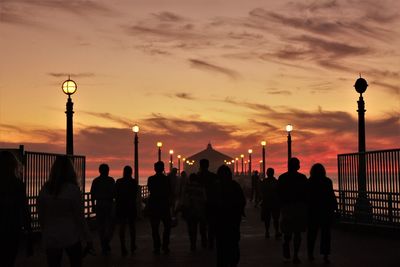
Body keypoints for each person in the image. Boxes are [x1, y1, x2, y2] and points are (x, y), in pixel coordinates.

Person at [38, 156, 92, 267]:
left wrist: (45, 233)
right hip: (71, 236)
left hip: (51, 237)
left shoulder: (45, 189)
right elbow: (80, 217)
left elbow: (41, 216)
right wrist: (88, 238)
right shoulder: (73, 190)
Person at [0, 151, 32, 267]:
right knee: (8, 260)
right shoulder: (17, 185)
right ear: (14, 165)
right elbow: (25, 210)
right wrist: (29, 233)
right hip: (12, 229)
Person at [212, 165, 246, 267]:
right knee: (233, 242)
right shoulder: (235, 186)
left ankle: (222, 262)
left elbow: (211, 203)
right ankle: (232, 261)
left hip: (220, 220)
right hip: (233, 219)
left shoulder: (216, 187)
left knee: (221, 244)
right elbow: (241, 201)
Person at [278, 157, 308, 264]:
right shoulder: (303, 178)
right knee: (297, 232)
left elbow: (279, 194)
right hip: (299, 208)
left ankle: (286, 243)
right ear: (297, 166)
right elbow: (306, 194)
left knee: (287, 231)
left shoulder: (282, 178)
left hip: (287, 208)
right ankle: (295, 255)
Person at [306, 163, 338, 264]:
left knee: (312, 233)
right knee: (325, 234)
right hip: (325, 211)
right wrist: (335, 207)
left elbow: (306, 197)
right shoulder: (327, 181)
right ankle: (325, 255)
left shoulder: (309, 182)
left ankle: (310, 254)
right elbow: (331, 195)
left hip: (313, 211)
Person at [90, 164, 115, 255]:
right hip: (108, 204)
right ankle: (106, 242)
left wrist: (93, 205)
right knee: (110, 225)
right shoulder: (111, 180)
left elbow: (92, 194)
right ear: (107, 170)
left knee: (101, 226)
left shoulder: (96, 181)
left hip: (99, 204)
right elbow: (114, 193)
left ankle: (103, 243)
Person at [147, 161, 172, 254]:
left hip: (154, 205)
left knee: (155, 228)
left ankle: (157, 246)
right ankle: (165, 246)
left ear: (155, 169)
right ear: (163, 168)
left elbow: (150, 190)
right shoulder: (166, 179)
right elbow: (169, 191)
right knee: (167, 227)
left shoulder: (151, 179)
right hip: (164, 205)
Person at [115, 166, 138, 256]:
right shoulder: (133, 182)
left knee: (122, 227)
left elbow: (116, 194)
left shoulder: (119, 181)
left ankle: (123, 246)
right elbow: (135, 194)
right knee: (132, 227)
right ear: (131, 172)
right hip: (131, 206)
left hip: (121, 206)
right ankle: (132, 245)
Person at [181, 173, 207, 251]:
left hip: (190, 210)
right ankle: (204, 241)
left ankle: (193, 244)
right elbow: (205, 199)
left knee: (191, 228)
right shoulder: (201, 187)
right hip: (200, 210)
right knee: (202, 227)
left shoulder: (187, 188)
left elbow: (183, 199)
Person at [197, 158, 218, 249]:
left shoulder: (197, 177)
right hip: (211, 202)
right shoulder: (213, 176)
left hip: (201, 203)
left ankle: (204, 241)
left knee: (202, 224)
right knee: (211, 224)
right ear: (208, 165)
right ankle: (211, 242)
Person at [260, 168, 281, 239]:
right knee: (276, 219)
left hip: (266, 202)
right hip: (275, 202)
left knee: (267, 219)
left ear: (267, 173)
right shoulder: (276, 182)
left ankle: (267, 232)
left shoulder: (264, 182)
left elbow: (261, 192)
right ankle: (277, 231)